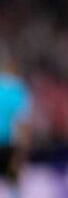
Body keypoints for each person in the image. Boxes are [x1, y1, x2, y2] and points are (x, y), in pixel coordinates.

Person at [0, 52, 31, 198]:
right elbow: (23, 124)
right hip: (10, 145)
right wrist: (20, 154)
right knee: (14, 187)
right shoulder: (19, 90)